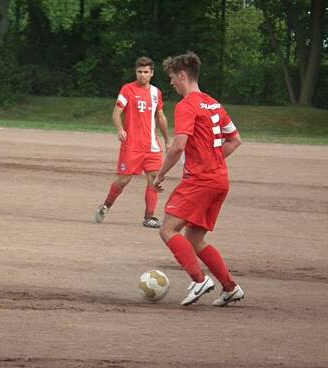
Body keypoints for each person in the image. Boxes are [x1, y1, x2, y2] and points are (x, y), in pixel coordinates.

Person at [153, 52, 244, 307]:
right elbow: (235, 140)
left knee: (168, 229)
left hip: (200, 181)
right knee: (194, 239)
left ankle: (198, 279)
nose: (171, 83)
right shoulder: (214, 104)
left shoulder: (187, 105)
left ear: (182, 75)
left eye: (172, 78)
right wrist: (213, 160)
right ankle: (230, 287)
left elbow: (178, 145)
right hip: (219, 182)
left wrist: (160, 174)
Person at [95, 56, 169, 227]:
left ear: (152, 73)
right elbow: (116, 113)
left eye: (145, 72)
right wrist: (120, 129)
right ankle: (106, 205)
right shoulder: (128, 89)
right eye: (139, 72)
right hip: (132, 145)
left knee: (154, 179)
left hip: (151, 145)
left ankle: (149, 217)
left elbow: (160, 116)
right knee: (123, 180)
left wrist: (167, 139)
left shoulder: (156, 92)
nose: (142, 75)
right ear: (135, 72)